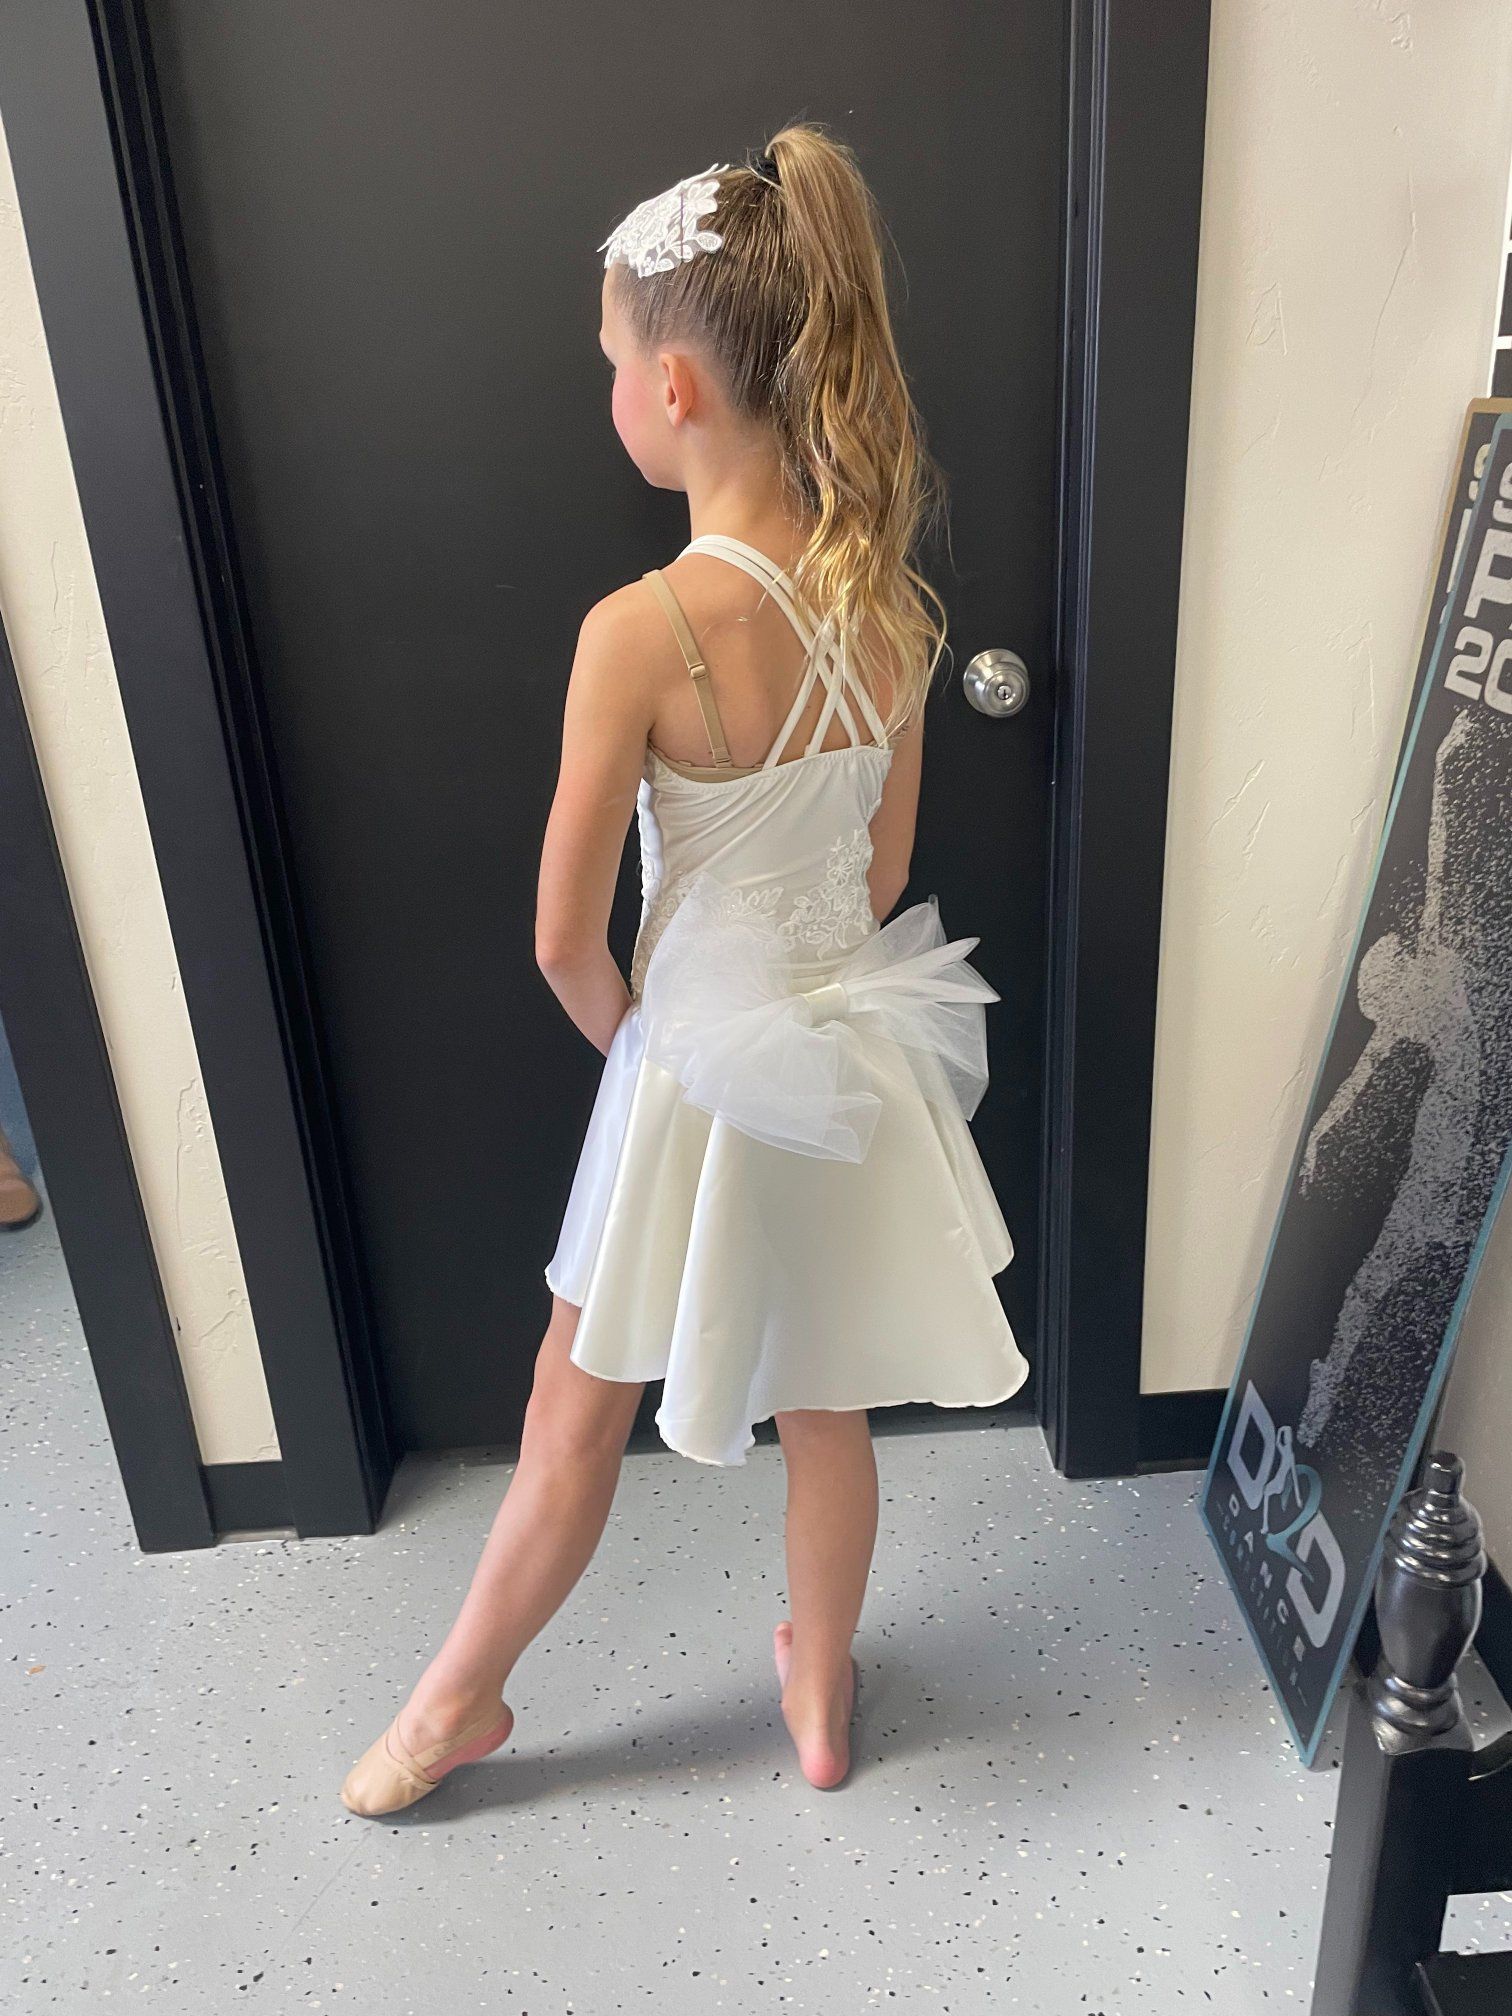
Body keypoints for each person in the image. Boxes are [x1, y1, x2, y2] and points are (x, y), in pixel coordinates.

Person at [341, 125, 1029, 1819]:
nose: (606, 394)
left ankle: (455, 1706)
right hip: (848, 1045)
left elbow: (562, 936)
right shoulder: (900, 612)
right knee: (827, 1403)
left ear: (677, 391)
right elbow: (876, 880)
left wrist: (640, 1049)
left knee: (572, 1410)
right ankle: (815, 1695)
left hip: (690, 1058)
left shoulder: (639, 629)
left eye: (606, 368)